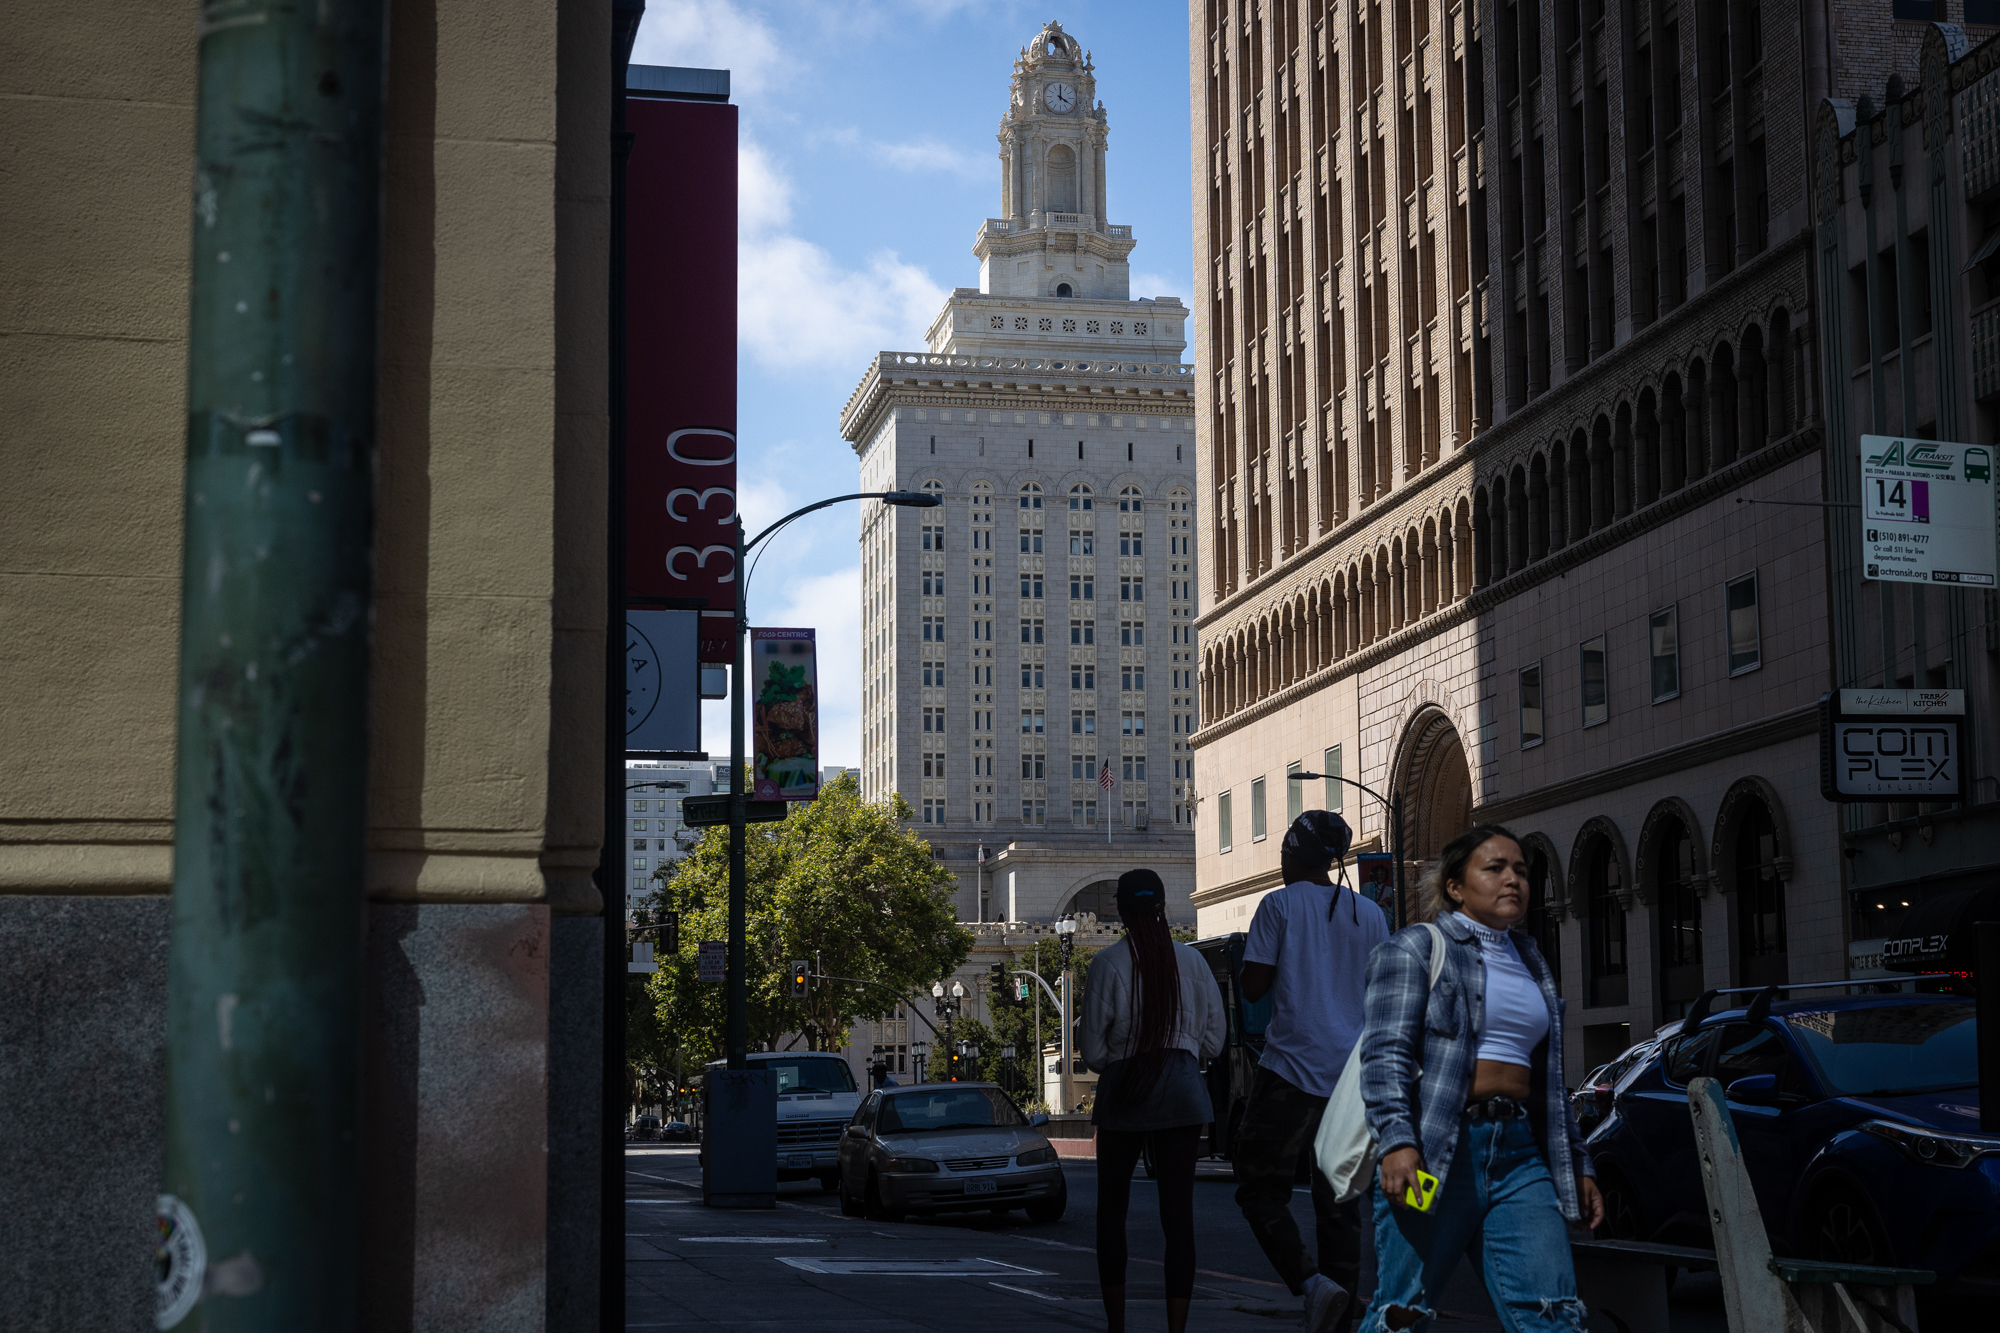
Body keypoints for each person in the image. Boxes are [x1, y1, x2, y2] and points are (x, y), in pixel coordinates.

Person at [1357, 825, 1604, 1333]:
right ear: (1454, 886)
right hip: (1436, 1152)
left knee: (1553, 1316)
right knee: (1402, 1314)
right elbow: (1384, 1057)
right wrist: (1397, 1142)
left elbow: (1550, 1085)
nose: (1512, 879)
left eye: (1520, 870)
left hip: (1521, 1159)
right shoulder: (1414, 950)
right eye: (1494, 868)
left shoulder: (1533, 961)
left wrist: (1577, 1162)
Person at [1233, 810, 1387, 1333]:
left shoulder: (1277, 906)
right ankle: (1339, 1314)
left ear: (1295, 856)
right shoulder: (1371, 915)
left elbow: (1254, 987)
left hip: (1291, 1071)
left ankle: (1311, 1284)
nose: (1280, 862)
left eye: (1283, 852)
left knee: (1258, 1186)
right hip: (1353, 1083)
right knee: (1340, 1205)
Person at [1081, 868, 1226, 1333]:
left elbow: (1093, 1051)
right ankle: (1176, 1328)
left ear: (1121, 912)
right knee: (1178, 1218)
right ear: (1163, 907)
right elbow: (1214, 1042)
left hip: (1125, 1089)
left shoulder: (1107, 964)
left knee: (1112, 1214)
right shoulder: (1193, 963)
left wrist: (1125, 1056)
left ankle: (1117, 1325)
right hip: (1182, 1090)